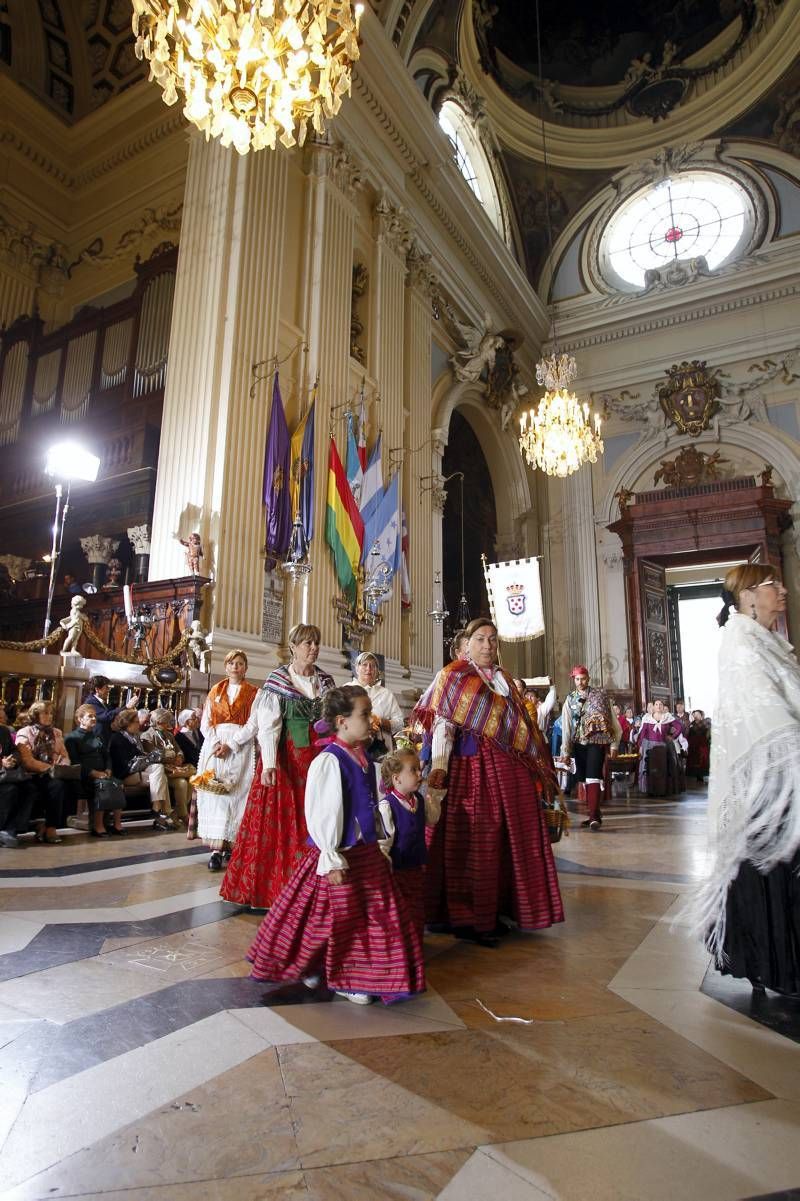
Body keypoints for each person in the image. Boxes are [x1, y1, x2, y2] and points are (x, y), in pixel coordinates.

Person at [246, 686, 425, 1005]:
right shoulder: (329, 761)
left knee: (372, 916)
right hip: (341, 853)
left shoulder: (364, 759)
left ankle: (354, 972)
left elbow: (367, 806)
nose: (370, 720)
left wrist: (379, 845)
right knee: (329, 917)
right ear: (342, 721)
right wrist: (330, 857)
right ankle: (331, 971)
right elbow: (324, 810)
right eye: (364, 714)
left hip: (365, 851)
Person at [413, 617, 563, 943]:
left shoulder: (503, 679)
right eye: (480, 639)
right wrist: (438, 769)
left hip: (509, 773)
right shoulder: (453, 676)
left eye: (492, 640)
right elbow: (443, 726)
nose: (487, 645)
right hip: (472, 771)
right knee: (475, 841)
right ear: (467, 644)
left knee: (509, 842)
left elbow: (523, 727)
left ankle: (500, 907)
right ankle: (468, 918)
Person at [693, 564, 800, 996]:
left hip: (776, 779)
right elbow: (766, 716)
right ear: (749, 595)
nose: (784, 590)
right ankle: (775, 964)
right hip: (767, 783)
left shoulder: (767, 641)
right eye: (774, 584)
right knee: (774, 872)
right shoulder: (739, 641)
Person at [221, 625, 335, 905]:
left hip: (320, 760)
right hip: (287, 761)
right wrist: (269, 763)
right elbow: (269, 726)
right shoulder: (279, 681)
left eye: (316, 643)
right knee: (285, 822)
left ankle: (317, 886)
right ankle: (278, 889)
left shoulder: (326, 682)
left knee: (318, 818)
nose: (313, 648)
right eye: (307, 643)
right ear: (293, 647)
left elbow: (334, 720)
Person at [194, 650, 259, 870]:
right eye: (232, 663)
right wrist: (215, 744)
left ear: (245, 667)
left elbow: (253, 724)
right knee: (216, 796)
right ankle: (216, 849)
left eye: (240, 663)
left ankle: (234, 845)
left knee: (238, 795)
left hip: (239, 749)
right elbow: (205, 722)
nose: (235, 667)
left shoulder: (253, 693)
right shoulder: (215, 690)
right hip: (215, 746)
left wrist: (231, 745)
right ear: (226, 666)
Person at [380, 747, 440, 939]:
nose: (419, 773)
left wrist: (435, 796)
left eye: (418, 769)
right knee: (401, 910)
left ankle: (415, 943)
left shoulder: (419, 800)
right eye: (413, 770)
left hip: (416, 867)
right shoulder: (387, 806)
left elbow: (431, 819)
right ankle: (401, 946)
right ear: (397, 778)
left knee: (415, 907)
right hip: (397, 871)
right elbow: (383, 844)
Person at [559, 666, 621, 831]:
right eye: (577, 679)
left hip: (596, 742)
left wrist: (614, 745)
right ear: (574, 680)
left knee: (593, 776)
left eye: (583, 679)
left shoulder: (600, 696)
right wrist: (565, 751)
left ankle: (593, 817)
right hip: (579, 743)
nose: (580, 682)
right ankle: (595, 813)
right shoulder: (570, 699)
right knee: (585, 779)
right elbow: (566, 727)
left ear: (589, 678)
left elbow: (614, 723)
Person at [109, 708, 175, 830]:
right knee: (160, 776)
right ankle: (162, 814)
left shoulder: (134, 737)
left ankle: (157, 810)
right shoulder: (117, 739)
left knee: (159, 772)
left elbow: (142, 756)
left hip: (138, 772)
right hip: (124, 775)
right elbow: (122, 765)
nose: (138, 724)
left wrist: (148, 759)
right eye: (135, 721)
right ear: (127, 723)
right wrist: (144, 761)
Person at [15, 700, 69, 844]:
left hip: (51, 775)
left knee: (60, 785)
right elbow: (27, 761)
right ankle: (41, 826)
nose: (49, 716)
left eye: (51, 713)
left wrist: (61, 765)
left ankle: (50, 827)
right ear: (35, 715)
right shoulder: (25, 732)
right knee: (47, 787)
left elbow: (64, 756)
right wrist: (49, 768)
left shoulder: (57, 733)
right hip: (30, 775)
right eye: (46, 713)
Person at [65, 704, 122, 837]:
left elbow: (107, 756)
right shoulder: (72, 738)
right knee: (103, 786)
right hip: (84, 775)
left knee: (117, 783)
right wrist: (93, 773)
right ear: (80, 719)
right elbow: (75, 762)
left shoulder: (98, 736)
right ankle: (98, 826)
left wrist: (108, 769)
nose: (94, 718)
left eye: (95, 716)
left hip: (102, 774)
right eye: (90, 716)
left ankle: (117, 824)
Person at [143, 707, 192, 825]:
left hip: (174, 770)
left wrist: (179, 757)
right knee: (179, 782)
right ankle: (177, 814)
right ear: (159, 722)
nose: (169, 724)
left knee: (185, 782)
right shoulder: (147, 736)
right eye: (167, 722)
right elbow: (152, 756)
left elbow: (179, 750)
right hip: (161, 771)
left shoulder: (169, 735)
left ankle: (180, 812)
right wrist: (169, 757)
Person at [348, 651, 403, 756]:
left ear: (377, 671)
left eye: (372, 666)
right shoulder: (347, 690)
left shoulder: (385, 694)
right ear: (356, 668)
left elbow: (400, 723)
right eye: (364, 665)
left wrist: (380, 721)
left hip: (380, 748)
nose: (369, 669)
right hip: (353, 745)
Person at [634, 699, 686, 795]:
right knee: (648, 767)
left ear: (663, 707)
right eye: (656, 704)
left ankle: (665, 788)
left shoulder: (667, 717)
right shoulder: (647, 718)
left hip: (664, 746)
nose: (658, 706)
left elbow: (680, 727)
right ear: (653, 707)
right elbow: (642, 734)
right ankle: (650, 788)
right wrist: (640, 746)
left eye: (660, 704)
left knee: (666, 767)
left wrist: (672, 737)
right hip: (650, 747)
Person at [0, 715, 32, 847]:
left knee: (30, 787)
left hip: (5, 774)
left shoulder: (3, 731)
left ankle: (15, 828)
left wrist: (13, 759)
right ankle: (4, 829)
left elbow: (14, 751)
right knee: (9, 790)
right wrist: (1, 762)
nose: (3, 713)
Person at [84, 676, 140, 747]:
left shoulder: (103, 703)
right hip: (95, 742)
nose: (108, 690)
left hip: (103, 741)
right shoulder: (91, 702)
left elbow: (113, 714)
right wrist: (126, 707)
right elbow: (106, 716)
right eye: (106, 687)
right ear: (97, 689)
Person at [687, 709, 710, 783]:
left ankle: (701, 776)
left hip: (702, 746)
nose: (696, 716)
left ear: (701, 715)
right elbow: (688, 734)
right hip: (693, 746)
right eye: (694, 714)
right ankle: (695, 775)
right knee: (694, 761)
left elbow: (706, 733)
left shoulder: (705, 724)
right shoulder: (691, 724)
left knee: (702, 761)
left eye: (697, 714)